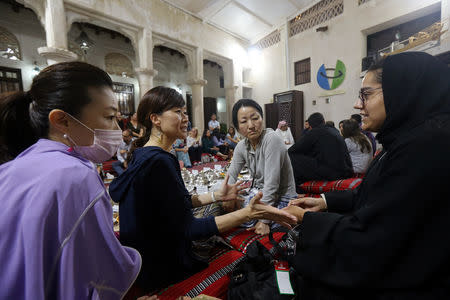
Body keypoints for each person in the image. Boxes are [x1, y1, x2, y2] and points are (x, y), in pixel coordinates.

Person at [284, 52, 450, 299]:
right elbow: (378, 192)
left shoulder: (427, 146)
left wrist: (306, 221)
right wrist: (325, 201)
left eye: (366, 95)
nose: (357, 105)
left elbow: (375, 237)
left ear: (401, 91)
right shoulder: (406, 138)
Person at [108, 87, 297, 295]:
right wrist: (249, 213)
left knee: (222, 206)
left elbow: (181, 202)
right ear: (156, 119)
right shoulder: (160, 161)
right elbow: (189, 228)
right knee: (224, 215)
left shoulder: (146, 155)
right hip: (165, 265)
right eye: (178, 112)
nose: (185, 118)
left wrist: (219, 195)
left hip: (147, 260)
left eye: (185, 112)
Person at [0, 62, 141, 299]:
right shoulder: (76, 176)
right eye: (109, 117)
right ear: (62, 120)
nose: (117, 129)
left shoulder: (12, 167)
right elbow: (99, 272)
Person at [226, 99, 299, 235]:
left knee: (239, 215)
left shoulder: (272, 139)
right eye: (243, 122)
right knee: (224, 203)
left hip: (282, 199)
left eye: (255, 118)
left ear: (262, 118)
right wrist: (229, 196)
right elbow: (230, 176)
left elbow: (272, 185)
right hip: (259, 194)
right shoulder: (242, 146)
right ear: (237, 127)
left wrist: (264, 220)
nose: (251, 125)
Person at [288, 112, 353, 185]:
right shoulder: (335, 131)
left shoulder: (314, 132)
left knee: (291, 157)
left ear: (310, 126)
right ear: (324, 121)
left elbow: (292, 150)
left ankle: (297, 187)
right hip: (346, 171)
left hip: (332, 174)